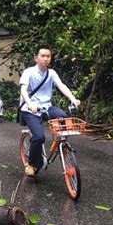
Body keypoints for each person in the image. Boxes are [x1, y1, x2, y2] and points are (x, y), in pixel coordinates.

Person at [19, 46, 81, 176]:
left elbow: (61, 85)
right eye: (42, 56)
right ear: (36, 58)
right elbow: (23, 90)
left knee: (63, 116)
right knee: (39, 137)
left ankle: (59, 142)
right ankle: (32, 164)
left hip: (46, 107)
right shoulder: (28, 72)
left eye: (48, 56)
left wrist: (73, 98)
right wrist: (30, 104)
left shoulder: (51, 73)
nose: (45, 58)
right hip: (31, 110)